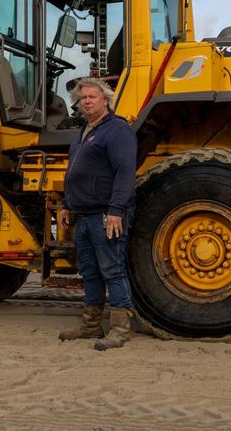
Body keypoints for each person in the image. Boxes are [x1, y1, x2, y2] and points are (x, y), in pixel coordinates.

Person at [57, 77, 137, 350]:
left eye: (92, 96)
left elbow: (125, 172)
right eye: (82, 99)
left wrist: (116, 210)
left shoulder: (117, 130)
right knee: (90, 272)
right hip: (84, 215)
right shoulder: (83, 132)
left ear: (106, 100)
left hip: (106, 215)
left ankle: (119, 330)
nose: (87, 101)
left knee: (113, 270)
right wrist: (67, 204)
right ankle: (91, 326)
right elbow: (72, 174)